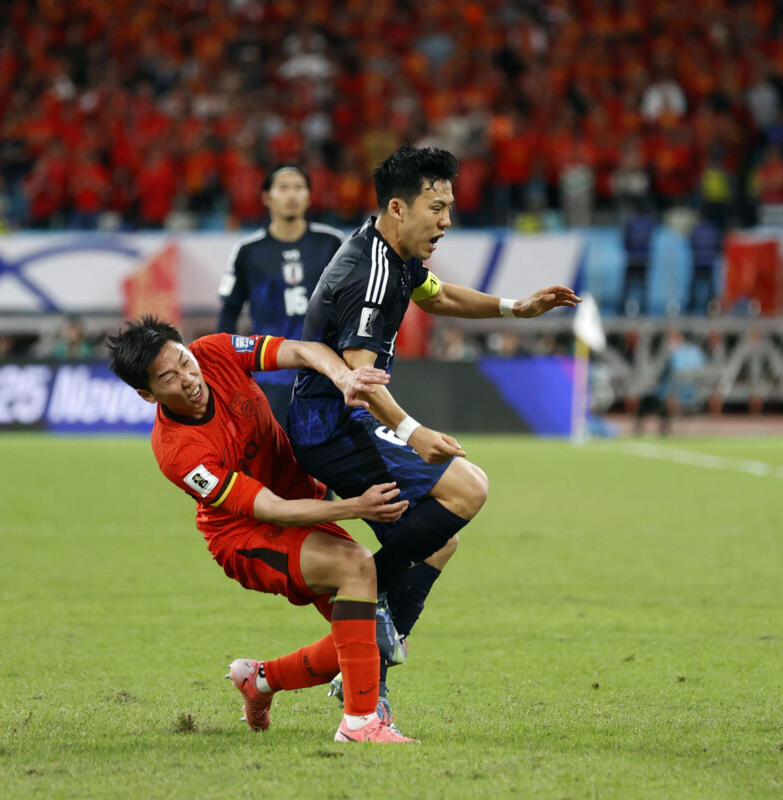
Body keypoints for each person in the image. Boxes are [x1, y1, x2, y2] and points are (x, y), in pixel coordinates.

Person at [286, 145, 580, 719]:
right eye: (436, 206)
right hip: (333, 424)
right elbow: (360, 378)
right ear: (398, 207)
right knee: (467, 488)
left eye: (449, 206)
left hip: (341, 421)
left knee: (438, 539)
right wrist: (412, 429)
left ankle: (343, 660)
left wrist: (515, 308)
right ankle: (370, 612)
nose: (446, 220)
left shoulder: (395, 255)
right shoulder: (369, 274)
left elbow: (439, 296)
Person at [106, 316, 415, 743]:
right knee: (356, 566)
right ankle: (360, 724)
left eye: (184, 360)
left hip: (301, 503)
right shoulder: (179, 452)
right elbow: (270, 509)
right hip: (245, 536)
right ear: (147, 394)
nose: (188, 378)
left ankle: (260, 680)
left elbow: (302, 350)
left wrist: (344, 376)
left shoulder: (214, 351)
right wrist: (356, 508)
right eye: (168, 378)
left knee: (377, 640)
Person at [217, 164, 346, 428]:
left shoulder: (332, 243)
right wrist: (224, 363)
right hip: (269, 373)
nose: (292, 195)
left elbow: (352, 303)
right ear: (267, 197)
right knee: (273, 458)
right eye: (283, 188)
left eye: (299, 188)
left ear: (309, 196)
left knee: (328, 460)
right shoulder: (248, 250)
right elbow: (230, 309)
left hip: (324, 371)